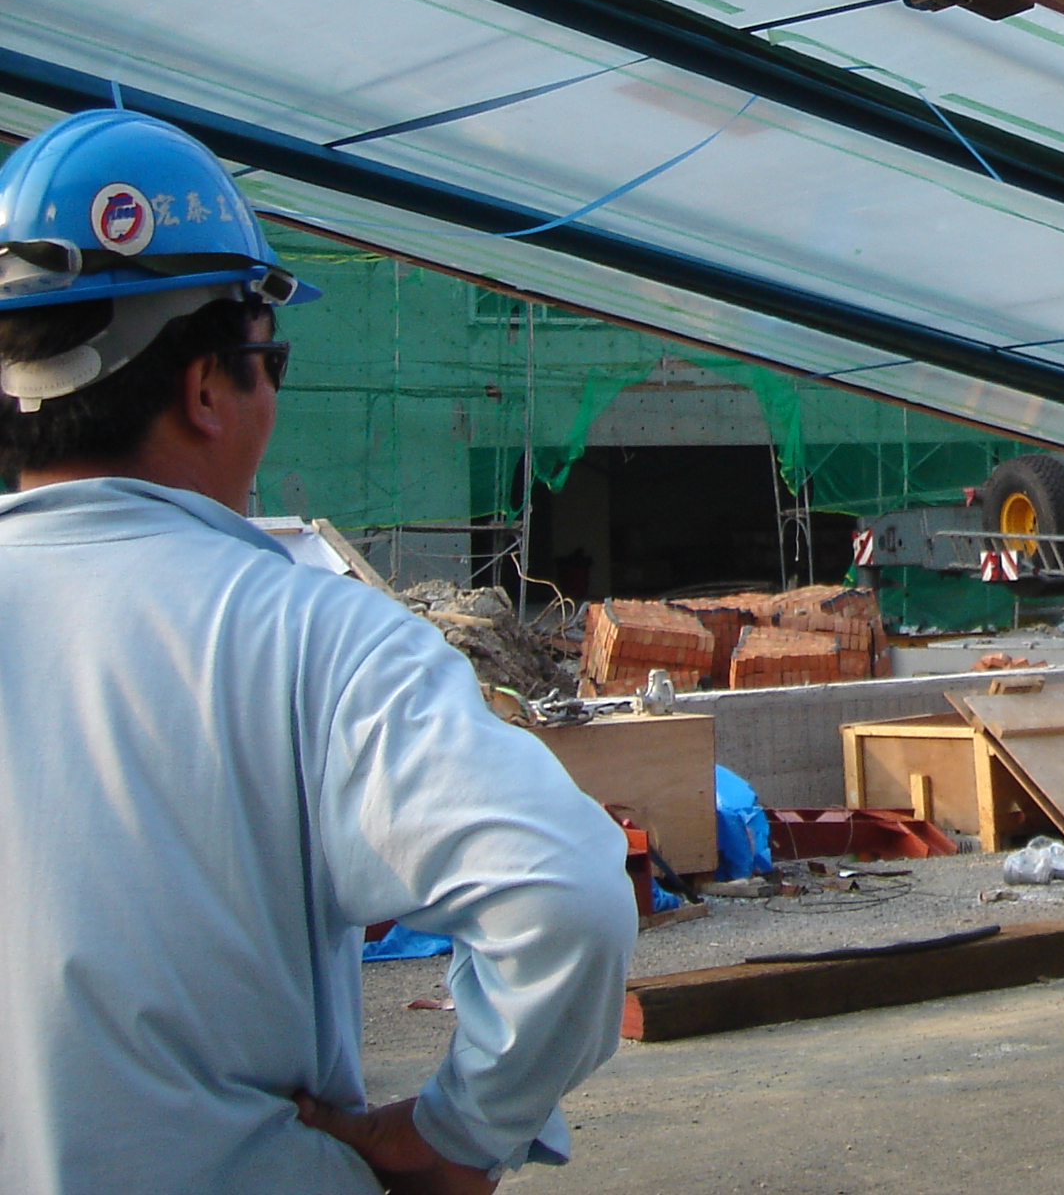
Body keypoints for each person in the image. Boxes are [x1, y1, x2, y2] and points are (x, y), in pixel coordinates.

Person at [0, 109, 636, 1195]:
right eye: (272, 361)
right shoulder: (315, 640)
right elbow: (565, 897)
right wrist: (459, 1134)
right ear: (207, 387)